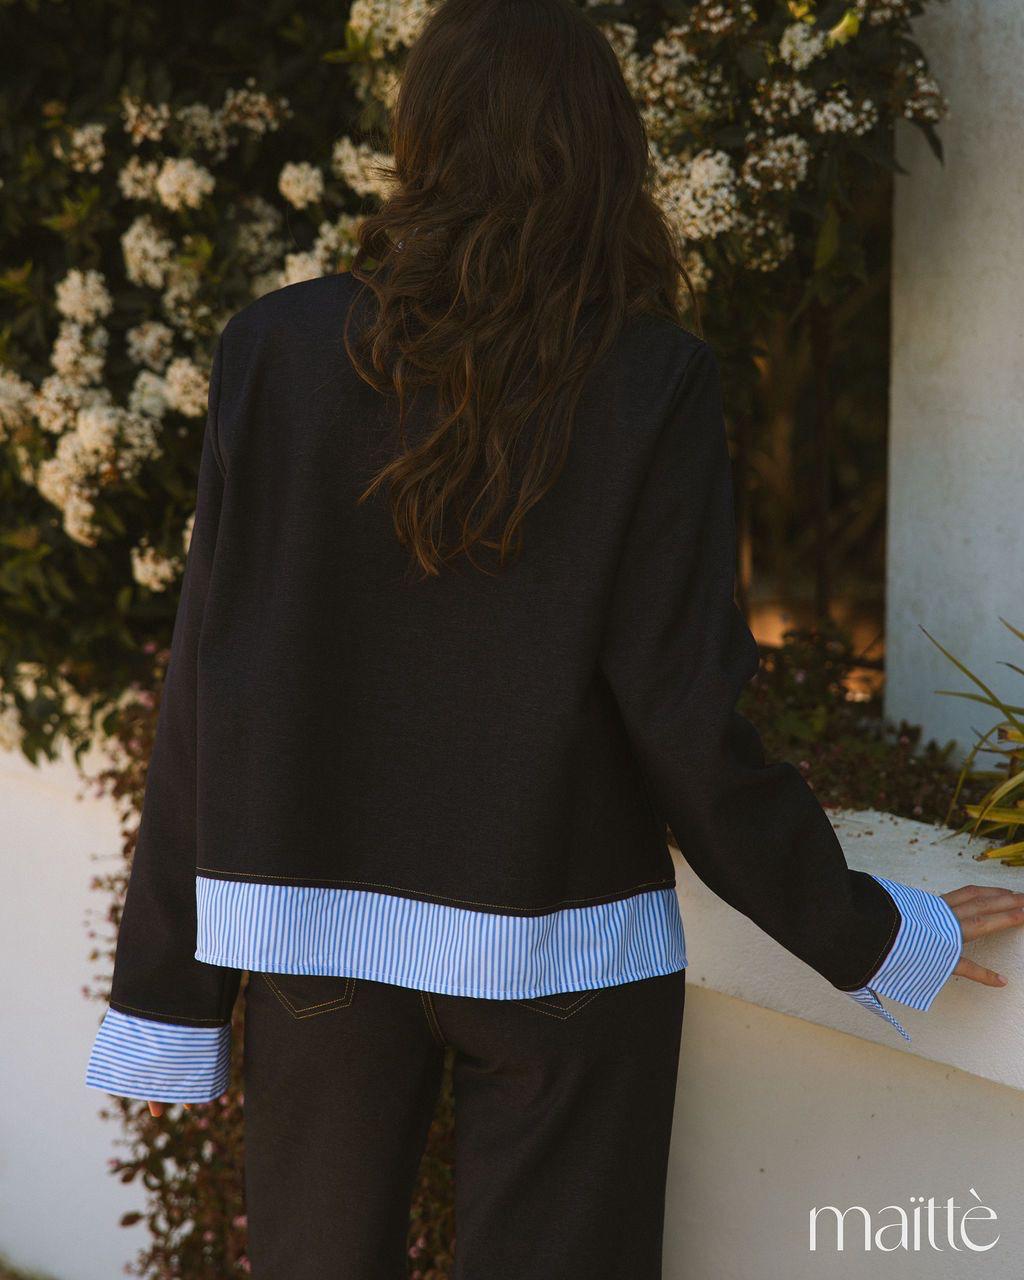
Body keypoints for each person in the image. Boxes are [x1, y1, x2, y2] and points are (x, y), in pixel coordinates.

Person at [84, 0, 1024, 1275]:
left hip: (314, 940)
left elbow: (210, 681)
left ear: (421, 137)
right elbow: (687, 719)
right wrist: (871, 931)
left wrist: (165, 999)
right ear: (604, 149)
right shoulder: (651, 379)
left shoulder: (274, 352)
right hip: (564, 949)